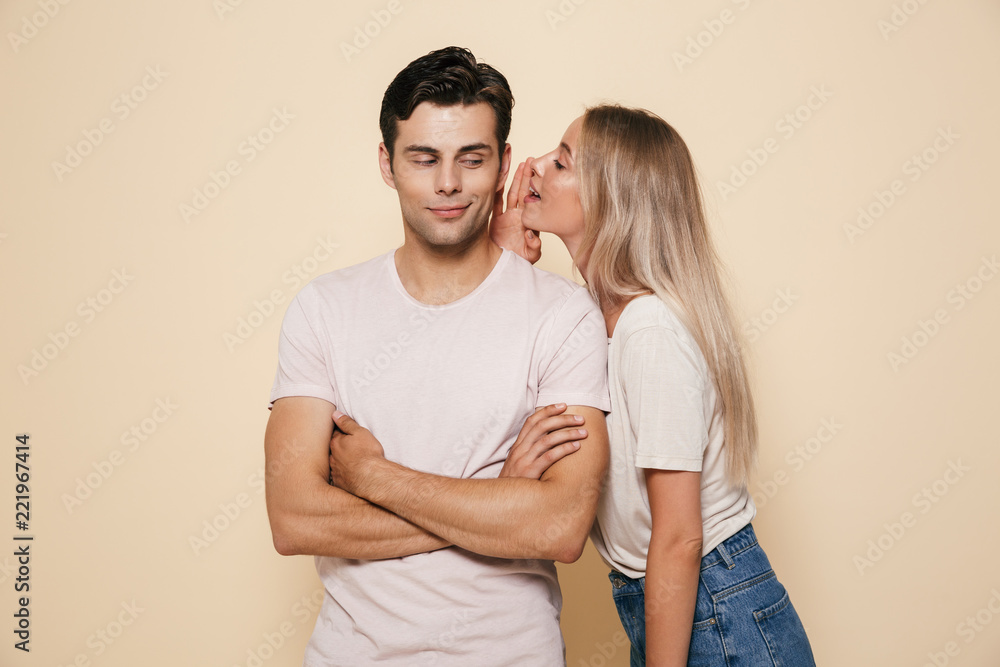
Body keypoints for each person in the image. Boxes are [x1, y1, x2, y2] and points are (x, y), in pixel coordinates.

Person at [263, 46, 611, 666]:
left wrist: (373, 480)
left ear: (503, 164)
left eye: (470, 159)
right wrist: (500, 498)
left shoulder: (563, 317)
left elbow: (559, 526)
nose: (447, 183)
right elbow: (294, 518)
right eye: (424, 159)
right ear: (387, 164)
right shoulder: (324, 308)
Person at [491, 105, 816, 666]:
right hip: (679, 601)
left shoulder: (649, 330)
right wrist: (505, 262)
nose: (536, 165)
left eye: (563, 162)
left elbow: (678, 538)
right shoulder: (594, 321)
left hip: (716, 607)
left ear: (612, 201)